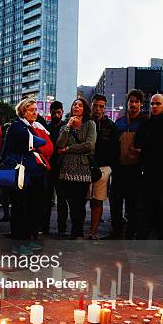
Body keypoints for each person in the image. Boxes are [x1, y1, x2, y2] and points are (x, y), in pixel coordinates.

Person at [1, 98, 53, 253]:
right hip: (21, 174)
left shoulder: (27, 126)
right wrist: (40, 140)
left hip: (29, 175)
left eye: (36, 110)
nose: (35, 113)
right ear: (23, 111)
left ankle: (26, 241)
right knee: (20, 209)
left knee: (29, 208)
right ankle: (18, 244)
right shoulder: (18, 126)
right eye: (31, 110)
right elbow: (38, 141)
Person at [106, 89, 148, 239]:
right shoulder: (120, 122)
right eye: (131, 101)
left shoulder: (146, 123)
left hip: (136, 170)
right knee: (115, 202)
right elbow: (112, 145)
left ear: (141, 104)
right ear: (127, 103)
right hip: (119, 169)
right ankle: (116, 231)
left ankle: (131, 232)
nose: (133, 104)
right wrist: (114, 164)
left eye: (137, 101)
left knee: (133, 203)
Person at [135, 94, 163, 239]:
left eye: (158, 103)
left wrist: (148, 143)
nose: (154, 106)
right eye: (152, 103)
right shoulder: (145, 124)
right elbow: (138, 144)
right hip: (146, 172)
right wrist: (153, 142)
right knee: (145, 208)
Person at [57, 98, 96, 240]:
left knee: (79, 204)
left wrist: (68, 149)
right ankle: (75, 231)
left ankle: (78, 233)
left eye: (80, 105)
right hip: (66, 170)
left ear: (84, 109)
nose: (76, 107)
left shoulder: (90, 124)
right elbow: (59, 144)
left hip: (82, 169)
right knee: (71, 204)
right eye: (74, 104)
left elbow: (89, 145)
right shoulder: (64, 126)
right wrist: (68, 125)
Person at [88, 94, 119, 240]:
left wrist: (110, 168)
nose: (98, 109)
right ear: (91, 105)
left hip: (103, 169)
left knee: (97, 201)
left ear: (105, 108)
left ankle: (93, 232)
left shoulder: (111, 125)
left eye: (101, 106)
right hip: (84, 167)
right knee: (82, 200)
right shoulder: (85, 122)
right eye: (96, 105)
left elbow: (115, 148)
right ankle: (79, 231)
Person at [44, 100, 68, 236]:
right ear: (50, 112)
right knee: (46, 200)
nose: (56, 115)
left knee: (62, 200)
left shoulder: (65, 127)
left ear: (62, 112)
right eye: (54, 113)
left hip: (61, 167)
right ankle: (45, 226)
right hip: (49, 168)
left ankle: (62, 228)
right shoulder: (47, 127)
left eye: (59, 112)